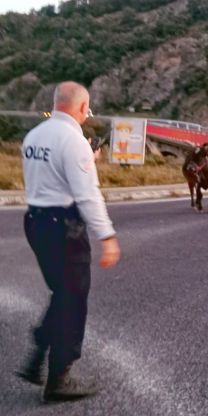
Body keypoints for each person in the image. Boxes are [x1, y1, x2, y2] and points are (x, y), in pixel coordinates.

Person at [15, 81, 121, 402]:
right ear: (80, 107)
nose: (87, 114)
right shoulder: (74, 142)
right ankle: (60, 377)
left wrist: (86, 158)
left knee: (62, 292)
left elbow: (51, 175)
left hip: (36, 223)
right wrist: (108, 236)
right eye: (86, 109)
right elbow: (87, 194)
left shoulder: (34, 136)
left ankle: (38, 352)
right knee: (73, 300)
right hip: (64, 227)